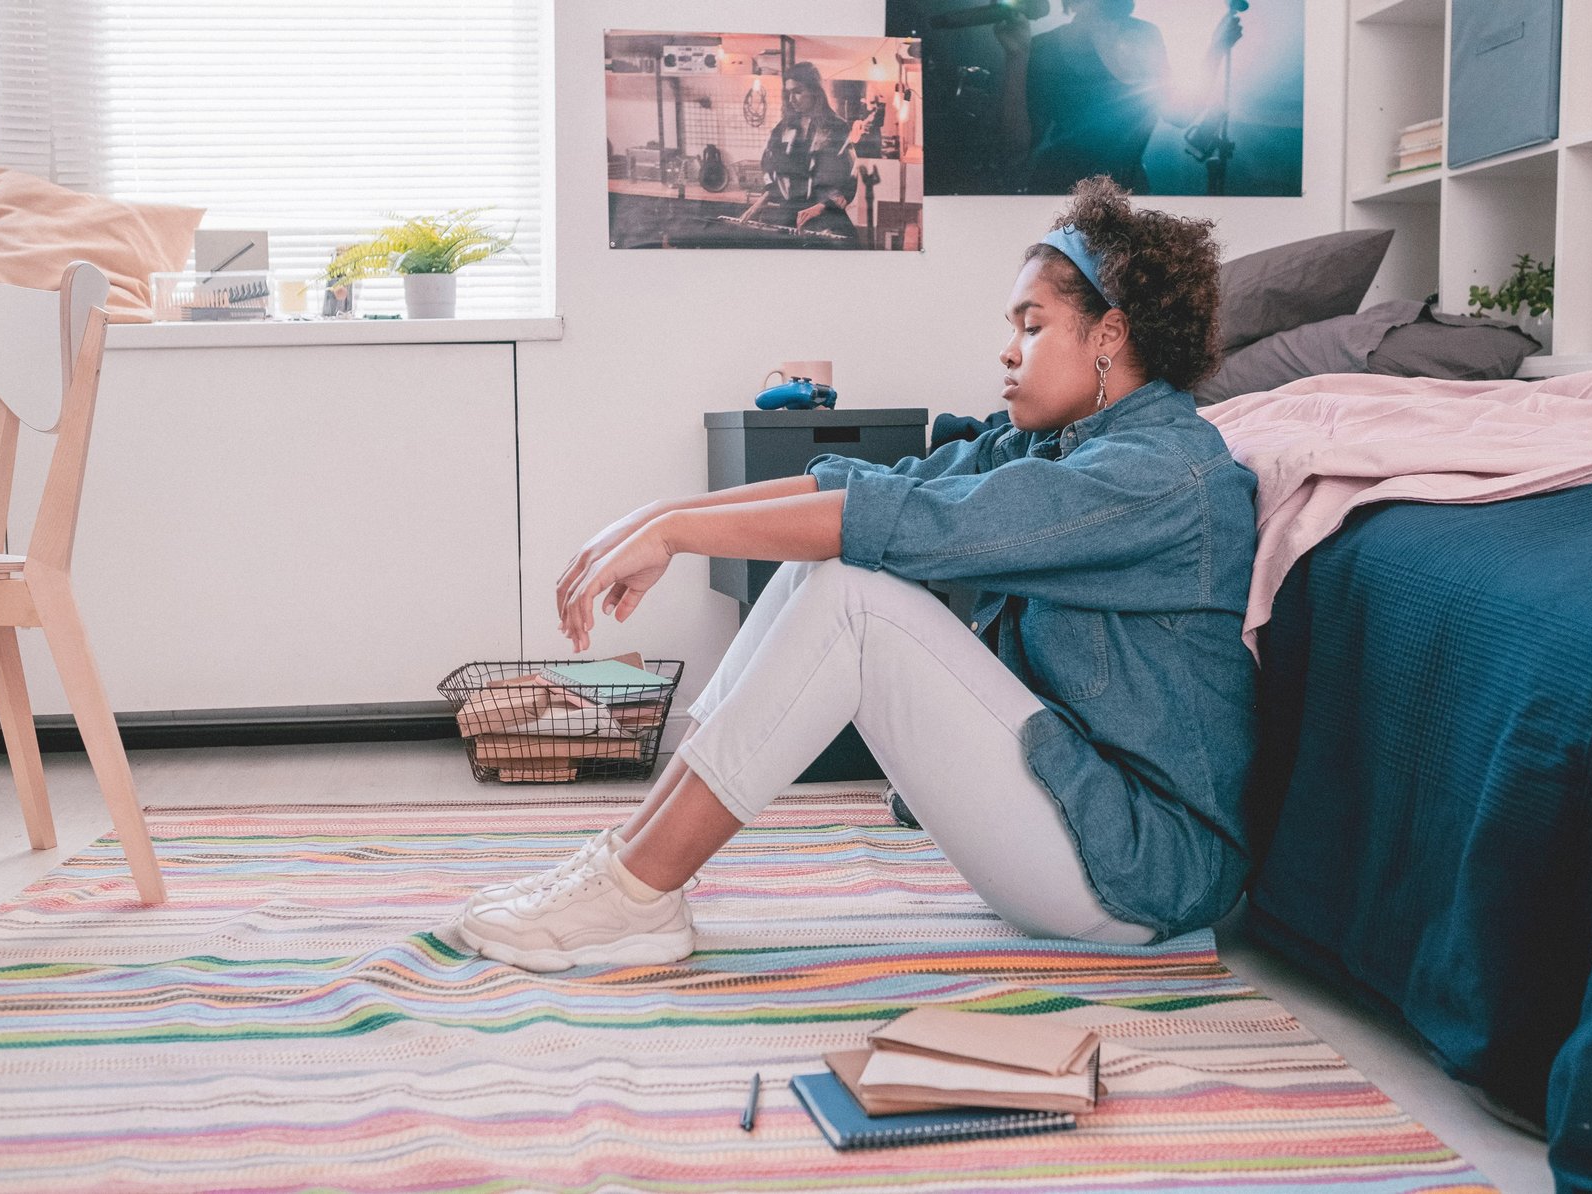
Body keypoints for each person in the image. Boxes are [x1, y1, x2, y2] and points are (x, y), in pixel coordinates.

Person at [457, 175, 1259, 974]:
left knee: (853, 595)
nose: (1008, 350)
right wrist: (664, 516)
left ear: (1109, 335)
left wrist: (676, 532)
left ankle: (634, 893)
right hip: (1074, 827)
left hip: (1140, 874)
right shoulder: (1055, 447)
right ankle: (630, 863)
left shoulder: (1157, 476)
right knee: (830, 568)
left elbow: (904, 523)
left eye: (1033, 325)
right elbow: (868, 488)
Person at [995, 0, 1243, 194]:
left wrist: (1216, 49)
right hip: (1064, 192)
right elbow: (1017, 148)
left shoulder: (1146, 35)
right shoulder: (1044, 47)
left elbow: (1179, 114)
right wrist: (1017, 58)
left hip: (1128, 189)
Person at [735, 61, 860, 245]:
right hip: (788, 213)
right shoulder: (783, 128)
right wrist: (761, 201)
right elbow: (772, 167)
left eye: (798, 91)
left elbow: (848, 178)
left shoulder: (836, 127)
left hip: (826, 214)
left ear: (815, 92)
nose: (791, 99)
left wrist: (819, 207)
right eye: (788, 93)